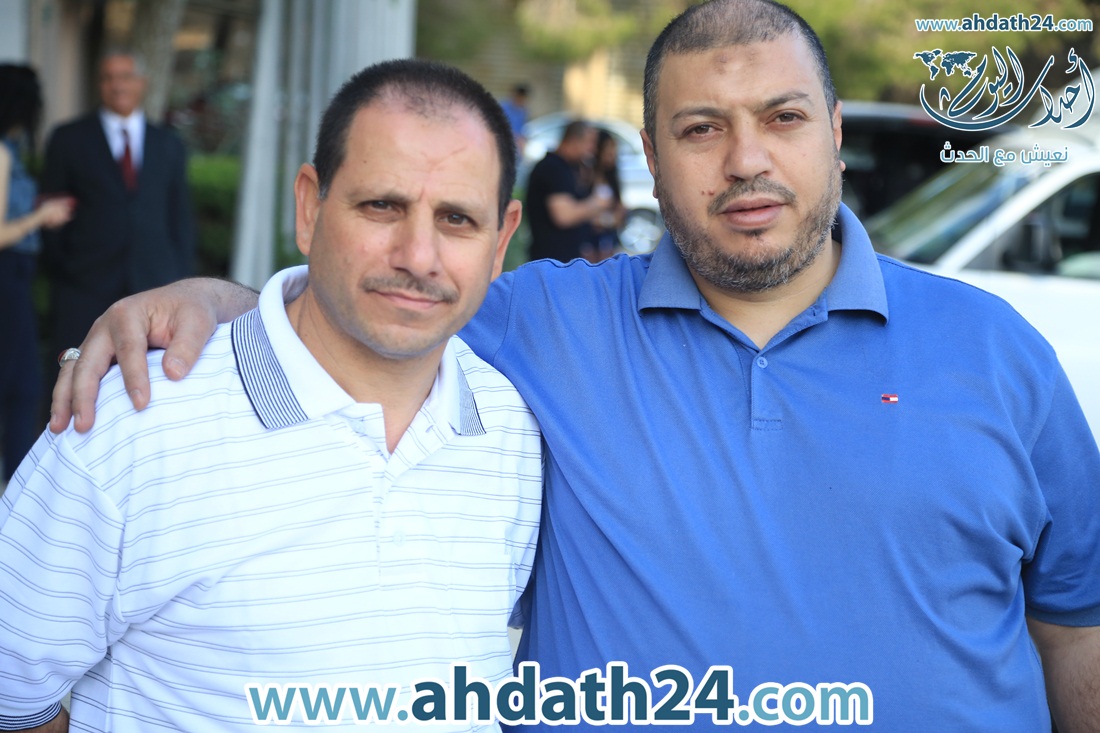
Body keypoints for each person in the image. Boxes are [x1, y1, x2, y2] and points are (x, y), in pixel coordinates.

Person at [48, 1, 1100, 730]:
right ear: (650, 153)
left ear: (831, 131)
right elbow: (383, 290)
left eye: (781, 118)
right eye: (700, 128)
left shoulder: (997, 349)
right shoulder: (545, 322)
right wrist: (215, 299)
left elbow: (1075, 631)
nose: (745, 159)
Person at [0, 59, 540, 731]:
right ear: (309, 207)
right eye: (382, 205)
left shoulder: (513, 432)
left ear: (501, 239)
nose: (418, 255)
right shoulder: (134, 419)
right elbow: (11, 693)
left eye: (457, 218)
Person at [39, 48, 195, 370]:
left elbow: (179, 217)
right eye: (108, 78)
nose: (117, 85)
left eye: (125, 77)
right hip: (84, 285)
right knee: (76, 374)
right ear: (99, 84)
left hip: (154, 284)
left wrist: (179, 276)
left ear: (142, 82)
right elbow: (50, 209)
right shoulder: (68, 138)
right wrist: (67, 267)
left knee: (150, 377)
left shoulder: (169, 143)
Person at [0, 64, 73, 484]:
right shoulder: (2, 153)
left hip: (15, 276)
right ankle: (17, 488)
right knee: (21, 386)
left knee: (19, 383)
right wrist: (40, 217)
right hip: (7, 275)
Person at [525, 119, 614, 262]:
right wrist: (597, 203)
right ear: (574, 140)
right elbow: (564, 216)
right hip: (552, 261)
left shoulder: (570, 167)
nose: (593, 150)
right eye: (590, 143)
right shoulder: (553, 167)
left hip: (566, 258)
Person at [587, 128, 626, 261]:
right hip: (590, 242)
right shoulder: (587, 175)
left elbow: (620, 208)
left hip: (608, 240)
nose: (612, 154)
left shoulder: (612, 176)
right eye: (608, 149)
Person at [499, 83, 530, 154]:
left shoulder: (523, 111)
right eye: (520, 98)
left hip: (517, 147)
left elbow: (523, 129)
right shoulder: (503, 107)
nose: (521, 101)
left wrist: (523, 139)